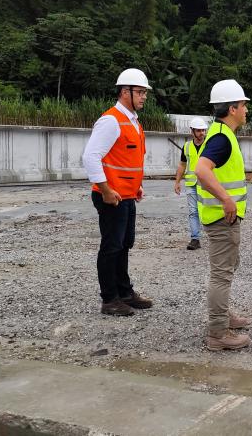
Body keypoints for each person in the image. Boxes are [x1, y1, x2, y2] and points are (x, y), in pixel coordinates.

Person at [82, 68, 154, 316]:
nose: (144, 97)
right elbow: (91, 157)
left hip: (126, 195)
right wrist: (105, 190)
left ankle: (125, 292)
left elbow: (127, 159)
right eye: (140, 92)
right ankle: (109, 299)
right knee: (111, 246)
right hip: (111, 197)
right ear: (126, 92)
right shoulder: (111, 121)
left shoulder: (133, 121)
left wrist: (137, 186)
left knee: (124, 244)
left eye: (145, 93)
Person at [194, 79, 252, 351]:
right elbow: (202, 170)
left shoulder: (221, 134)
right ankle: (218, 333)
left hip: (222, 217)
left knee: (227, 269)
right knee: (221, 275)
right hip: (222, 218)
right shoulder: (221, 138)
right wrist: (226, 199)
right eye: (243, 105)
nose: (246, 110)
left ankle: (223, 314)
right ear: (232, 108)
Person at [174, 117, 209, 251]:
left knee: (207, 210)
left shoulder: (209, 145)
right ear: (192, 131)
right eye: (198, 130)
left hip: (207, 184)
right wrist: (177, 182)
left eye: (203, 130)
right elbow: (182, 165)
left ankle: (215, 236)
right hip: (191, 184)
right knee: (193, 212)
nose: (201, 133)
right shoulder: (187, 147)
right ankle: (195, 239)